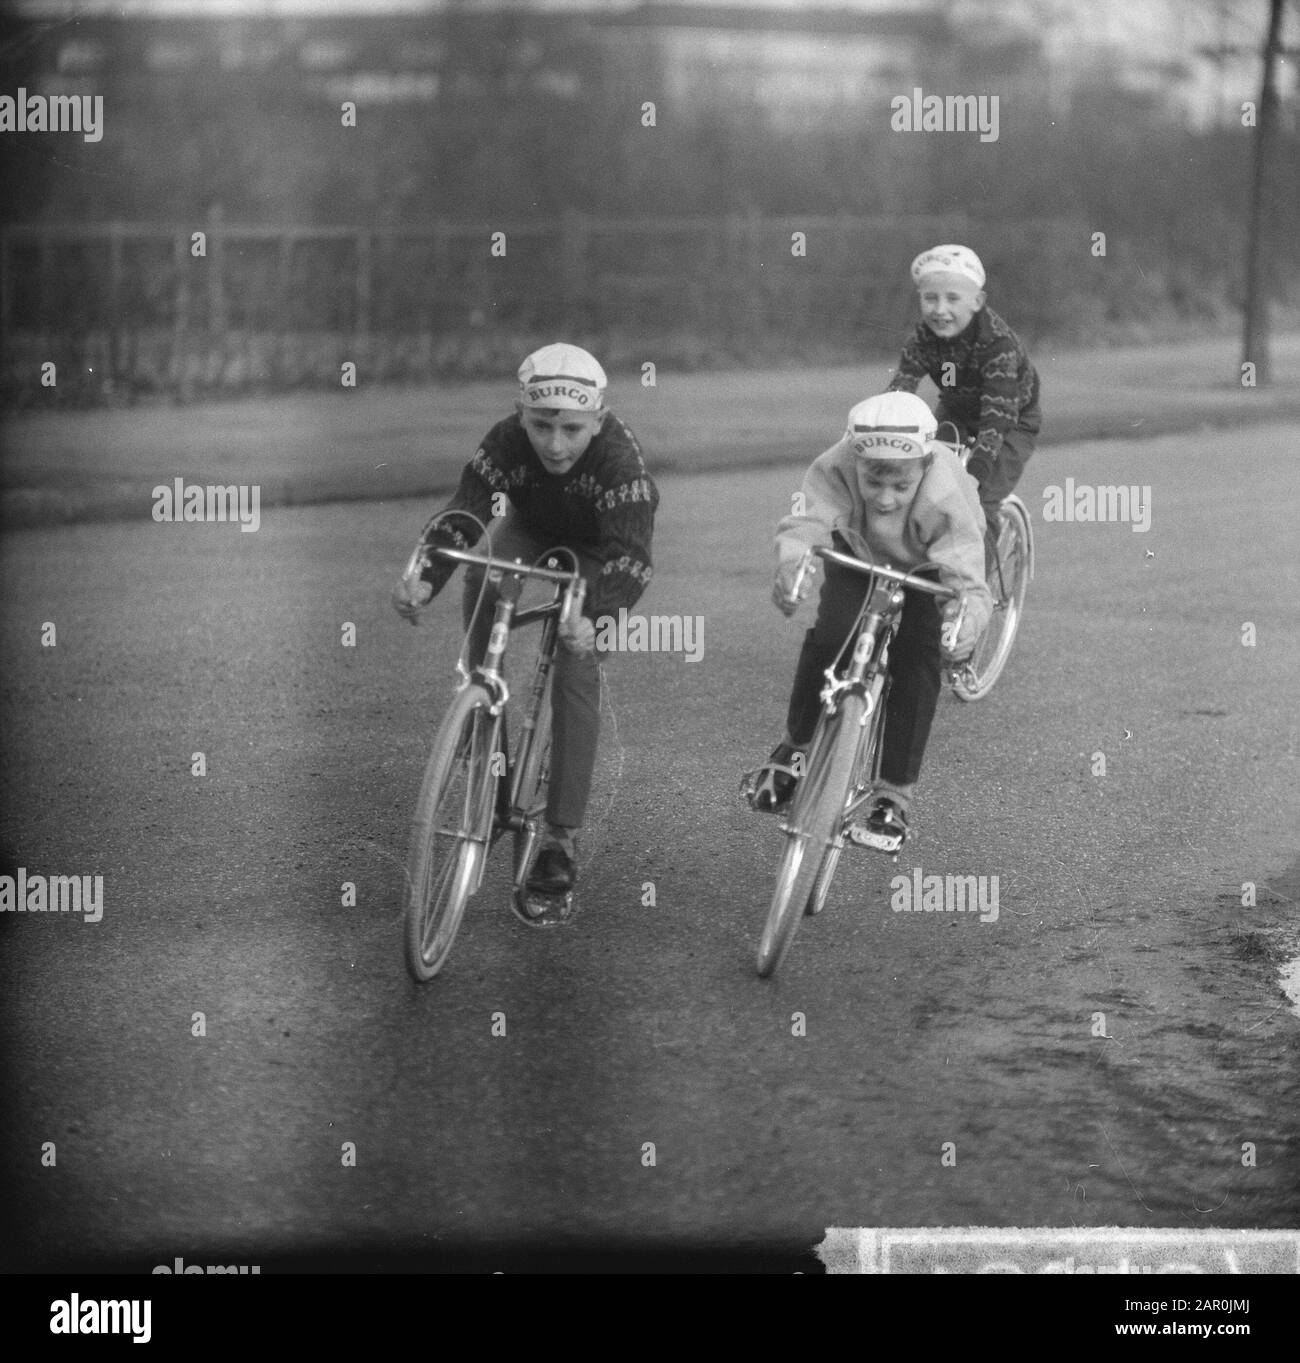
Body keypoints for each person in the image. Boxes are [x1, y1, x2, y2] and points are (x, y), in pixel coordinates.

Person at [392, 342, 658, 902]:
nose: (554, 444)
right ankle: (483, 693)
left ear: (599, 419)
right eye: (540, 426)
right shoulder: (505, 442)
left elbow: (632, 558)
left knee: (575, 665)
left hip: (596, 551)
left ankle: (561, 837)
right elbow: (465, 512)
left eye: (570, 429)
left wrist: (598, 618)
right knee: (486, 575)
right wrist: (425, 577)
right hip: (531, 528)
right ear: (521, 416)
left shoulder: (619, 460)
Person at [746, 391, 992, 849]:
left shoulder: (946, 489)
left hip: (928, 570)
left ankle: (893, 796)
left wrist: (964, 622)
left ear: (924, 466)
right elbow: (805, 522)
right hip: (858, 555)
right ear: (854, 458)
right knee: (830, 638)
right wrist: (793, 567)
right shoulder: (835, 463)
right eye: (872, 482)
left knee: (918, 661)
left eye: (901, 487)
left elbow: (966, 575)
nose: (884, 499)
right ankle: (793, 750)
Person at [887, 244, 1041, 547]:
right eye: (930, 298)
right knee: (919, 481)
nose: (940, 309)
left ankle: (975, 590)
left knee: (977, 503)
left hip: (1011, 420)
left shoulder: (997, 345)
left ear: (977, 302)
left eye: (952, 299)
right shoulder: (923, 340)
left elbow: (997, 418)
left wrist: (976, 471)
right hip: (957, 407)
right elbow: (900, 390)